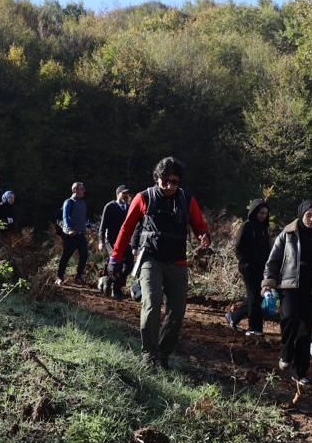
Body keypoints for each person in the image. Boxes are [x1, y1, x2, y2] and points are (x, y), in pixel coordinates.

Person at [109, 157, 211, 369]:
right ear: (157, 178)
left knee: (177, 311)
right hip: (150, 259)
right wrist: (115, 258)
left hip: (178, 262)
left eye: (174, 181)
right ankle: (149, 354)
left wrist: (204, 236)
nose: (169, 185)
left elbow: (200, 225)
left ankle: (163, 355)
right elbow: (126, 229)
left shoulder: (187, 200)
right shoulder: (143, 197)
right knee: (152, 303)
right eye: (165, 180)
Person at [263, 200, 312, 385]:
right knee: (289, 319)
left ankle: (300, 372)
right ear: (301, 214)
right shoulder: (287, 234)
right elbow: (273, 260)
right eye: (309, 215)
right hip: (289, 286)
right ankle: (286, 352)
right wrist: (268, 282)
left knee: (305, 332)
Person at [235, 198, 272, 336]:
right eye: (261, 212)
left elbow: (267, 249)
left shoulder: (264, 228)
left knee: (257, 297)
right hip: (249, 268)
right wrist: (245, 264)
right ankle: (254, 328)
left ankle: (234, 316)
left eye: (265, 213)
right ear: (254, 212)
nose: (263, 215)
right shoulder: (247, 226)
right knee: (255, 297)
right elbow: (238, 247)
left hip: (262, 268)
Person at [98, 185, 133, 298]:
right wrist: (101, 240)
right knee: (115, 265)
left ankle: (111, 282)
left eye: (127, 193)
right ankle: (115, 289)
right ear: (118, 194)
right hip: (111, 241)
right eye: (124, 193)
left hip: (125, 241)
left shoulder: (129, 207)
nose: (126, 195)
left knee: (129, 265)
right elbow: (102, 225)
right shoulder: (110, 206)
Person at [57, 182, 89, 286]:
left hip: (80, 234)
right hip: (70, 235)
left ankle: (78, 276)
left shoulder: (83, 203)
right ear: (75, 190)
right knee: (66, 256)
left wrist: (85, 228)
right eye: (82, 189)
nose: (84, 191)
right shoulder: (69, 202)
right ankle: (59, 277)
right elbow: (65, 217)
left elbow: (82, 219)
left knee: (84, 254)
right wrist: (70, 229)